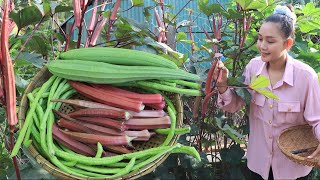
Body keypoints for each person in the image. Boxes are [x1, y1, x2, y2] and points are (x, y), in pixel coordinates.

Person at [212, 4, 320, 180]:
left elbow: (317, 119)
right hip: (258, 164)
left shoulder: (305, 77)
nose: (262, 46)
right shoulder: (253, 68)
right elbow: (235, 105)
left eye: (270, 41)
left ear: (288, 44)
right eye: (260, 39)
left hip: (292, 168)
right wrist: (223, 85)